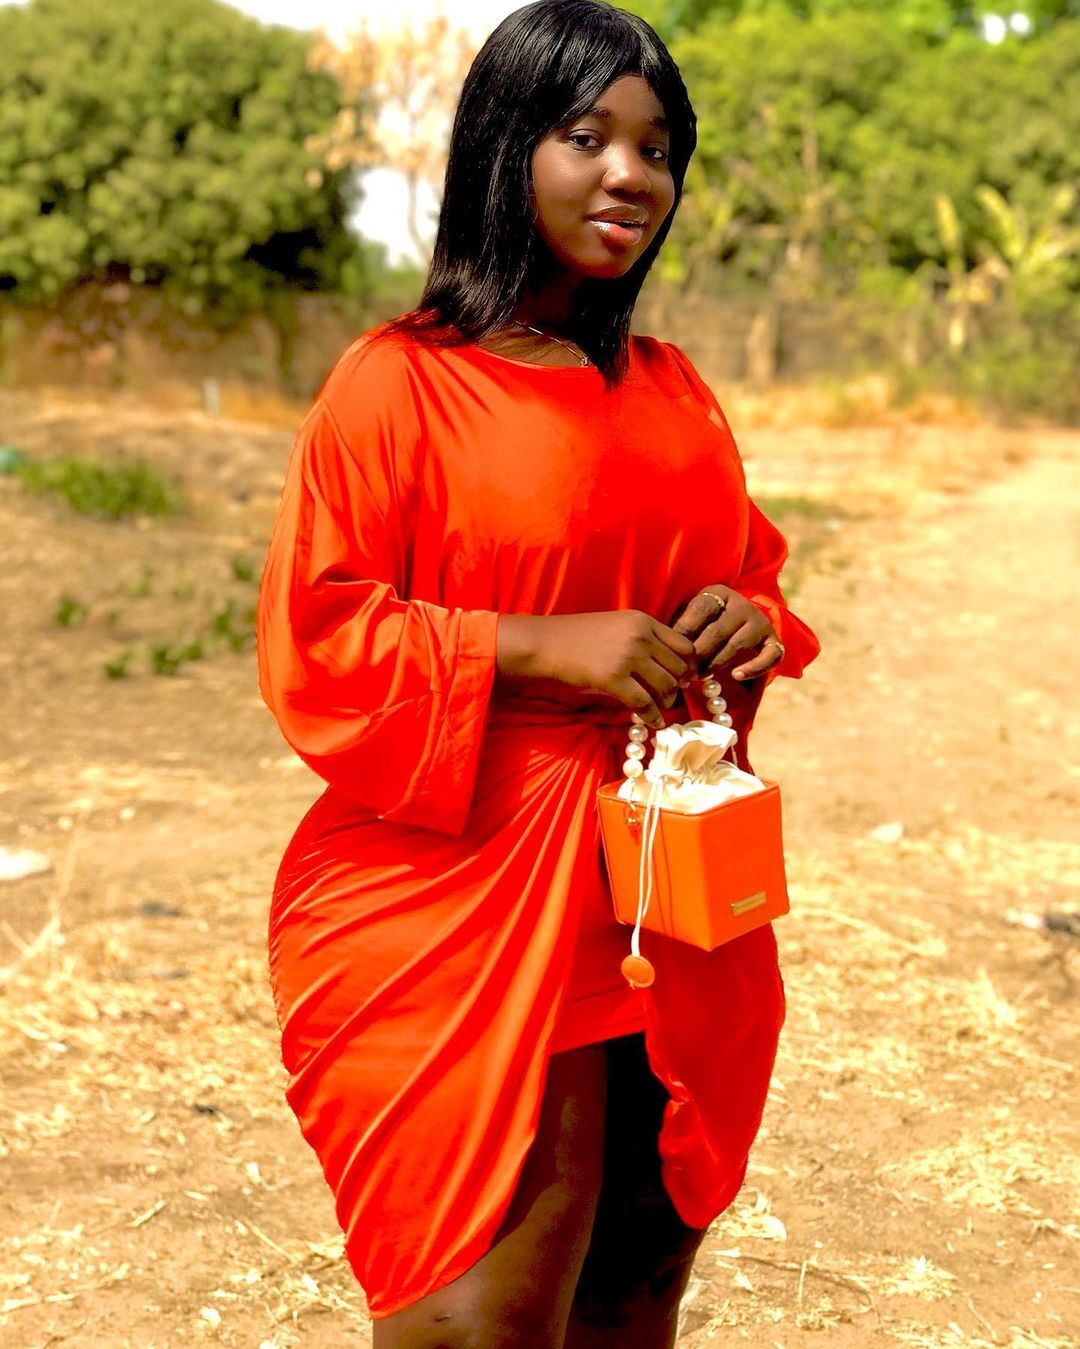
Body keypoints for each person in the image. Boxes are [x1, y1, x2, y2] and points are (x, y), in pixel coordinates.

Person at [255, 1, 821, 1344]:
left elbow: (749, 570)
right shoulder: (398, 385)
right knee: (485, 1312)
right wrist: (530, 644)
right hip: (457, 886)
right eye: (587, 136)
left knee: (639, 1277)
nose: (630, 175)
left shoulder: (675, 388)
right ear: (505, 147)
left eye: (657, 149)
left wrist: (747, 617)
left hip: (669, 882)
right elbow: (318, 637)